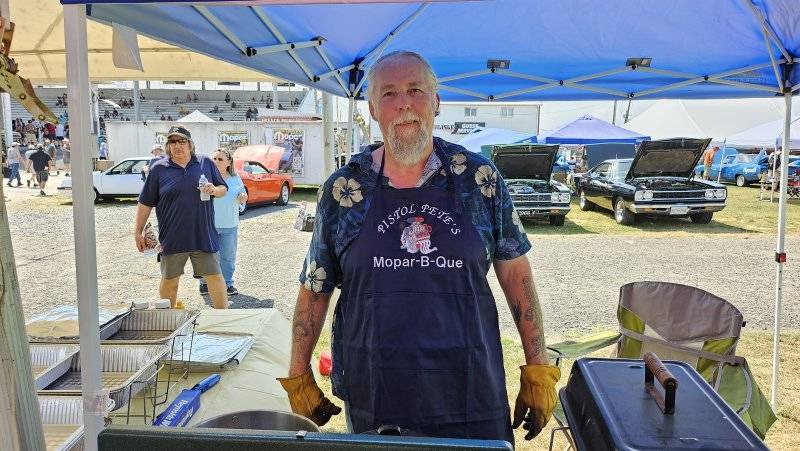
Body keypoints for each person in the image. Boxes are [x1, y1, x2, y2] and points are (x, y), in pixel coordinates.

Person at [278, 51, 558, 444]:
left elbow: (515, 271)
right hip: (376, 388)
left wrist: (538, 365)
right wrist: (298, 374)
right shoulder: (343, 190)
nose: (404, 103)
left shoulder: (479, 179)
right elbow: (315, 285)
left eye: (415, 90)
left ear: (436, 102)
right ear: (373, 109)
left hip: (469, 386)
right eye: (389, 93)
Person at [134, 126, 229, 309]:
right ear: (168, 146)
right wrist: (138, 232)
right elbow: (145, 202)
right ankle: (168, 320)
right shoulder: (158, 169)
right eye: (172, 142)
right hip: (172, 236)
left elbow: (223, 188)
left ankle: (224, 318)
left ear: (190, 144)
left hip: (203, 234)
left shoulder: (205, 163)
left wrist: (214, 190)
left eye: (181, 141)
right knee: (170, 281)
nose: (177, 146)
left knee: (215, 277)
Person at [199, 148, 247, 296]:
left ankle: (227, 284)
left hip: (230, 224)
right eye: (214, 159)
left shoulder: (235, 178)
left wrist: (242, 196)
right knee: (208, 256)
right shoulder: (205, 177)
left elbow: (242, 194)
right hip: (209, 224)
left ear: (229, 162)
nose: (216, 162)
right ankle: (205, 283)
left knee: (228, 257)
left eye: (220, 159)